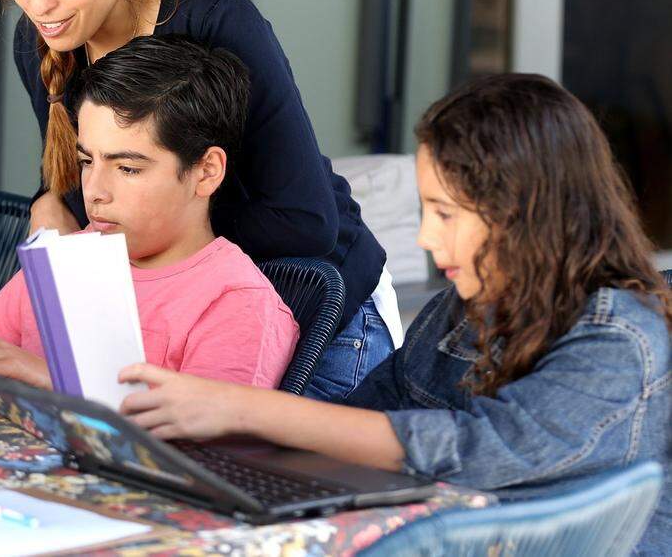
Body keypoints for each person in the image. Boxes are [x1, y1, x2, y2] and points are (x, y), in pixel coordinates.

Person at [116, 73, 671, 556]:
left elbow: (474, 450)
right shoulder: (462, 311)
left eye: (446, 214)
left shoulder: (618, 340)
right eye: (426, 210)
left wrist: (245, 408)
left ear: (529, 213)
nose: (428, 238)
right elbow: (367, 414)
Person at [0, 0, 398, 399]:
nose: (37, 2)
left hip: (322, 310)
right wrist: (50, 201)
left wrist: (154, 226)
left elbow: (306, 220)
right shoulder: (42, 40)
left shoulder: (216, 21)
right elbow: (89, 184)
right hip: (177, 313)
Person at [0, 34, 298, 389]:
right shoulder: (66, 259)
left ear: (206, 172)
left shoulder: (237, 305)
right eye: (87, 161)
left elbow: (211, 462)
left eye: (128, 168)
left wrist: (56, 381)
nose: (95, 192)